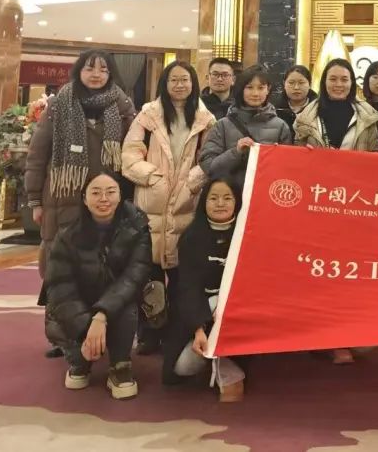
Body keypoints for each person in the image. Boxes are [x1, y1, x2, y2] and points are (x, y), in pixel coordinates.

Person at [26, 48, 136, 357]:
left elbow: (133, 152)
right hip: (63, 198)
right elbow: (37, 154)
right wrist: (34, 199)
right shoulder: (59, 104)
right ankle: (62, 338)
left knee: (102, 267)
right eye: (90, 68)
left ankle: (101, 333)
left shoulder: (123, 106)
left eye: (103, 69)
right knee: (59, 269)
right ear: (79, 71)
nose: (96, 74)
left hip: (107, 203)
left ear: (111, 73)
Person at [121, 61, 216, 365]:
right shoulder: (148, 116)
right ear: (164, 83)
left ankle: (176, 331)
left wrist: (192, 181)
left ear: (193, 83)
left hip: (186, 203)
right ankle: (148, 333)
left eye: (184, 79)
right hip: (151, 202)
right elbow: (129, 154)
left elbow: (209, 157)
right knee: (147, 275)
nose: (179, 85)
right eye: (173, 79)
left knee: (180, 275)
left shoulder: (205, 119)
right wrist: (153, 177)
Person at [294, 57, 378, 363]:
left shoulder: (369, 118)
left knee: (350, 275)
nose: (339, 84)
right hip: (317, 205)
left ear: (352, 83)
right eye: (333, 79)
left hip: (355, 206)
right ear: (324, 82)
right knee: (320, 275)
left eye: (344, 79)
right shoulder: (305, 118)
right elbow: (292, 160)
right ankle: (322, 337)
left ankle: (347, 334)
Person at [44, 173, 152, 400]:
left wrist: (101, 316)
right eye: (96, 193)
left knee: (127, 303)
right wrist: (86, 329)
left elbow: (134, 278)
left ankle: (120, 365)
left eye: (111, 192)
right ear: (84, 198)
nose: (104, 199)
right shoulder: (67, 232)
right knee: (78, 364)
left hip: (117, 303)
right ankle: (79, 359)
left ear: (121, 196)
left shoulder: (138, 227)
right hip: (79, 304)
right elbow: (60, 288)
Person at [172, 178, 245, 402]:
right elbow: (188, 287)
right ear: (204, 202)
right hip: (201, 313)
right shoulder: (191, 237)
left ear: (237, 201)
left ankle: (230, 371)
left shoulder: (248, 234)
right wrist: (198, 328)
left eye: (227, 198)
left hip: (239, 309)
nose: (220, 203)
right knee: (184, 367)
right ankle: (221, 361)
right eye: (213, 198)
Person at [199, 64, 294, 196]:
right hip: (230, 198)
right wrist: (236, 152)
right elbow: (208, 166)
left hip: (266, 196)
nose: (255, 93)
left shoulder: (281, 126)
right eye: (249, 87)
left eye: (261, 88)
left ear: (268, 89)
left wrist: (277, 158)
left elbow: (289, 170)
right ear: (241, 89)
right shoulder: (223, 125)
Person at [274, 65, 317, 130]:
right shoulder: (275, 109)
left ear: (310, 84)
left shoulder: (318, 109)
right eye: (291, 83)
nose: (296, 87)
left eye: (301, 83)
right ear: (284, 84)